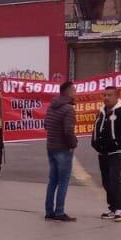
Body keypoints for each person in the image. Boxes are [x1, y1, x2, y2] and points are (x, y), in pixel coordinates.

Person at [92, 85, 121, 220]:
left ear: (117, 96)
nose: (106, 97)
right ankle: (113, 207)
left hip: (117, 151)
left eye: (109, 95)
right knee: (106, 181)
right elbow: (96, 129)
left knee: (114, 177)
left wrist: (117, 142)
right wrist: (95, 143)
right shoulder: (101, 112)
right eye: (104, 95)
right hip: (103, 151)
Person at [43, 80, 78, 221]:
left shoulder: (52, 107)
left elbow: (46, 124)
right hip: (63, 148)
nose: (75, 93)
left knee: (53, 180)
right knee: (63, 180)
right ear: (68, 92)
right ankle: (59, 211)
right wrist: (73, 144)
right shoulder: (68, 109)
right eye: (74, 90)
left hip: (51, 146)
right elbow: (68, 130)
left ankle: (49, 211)